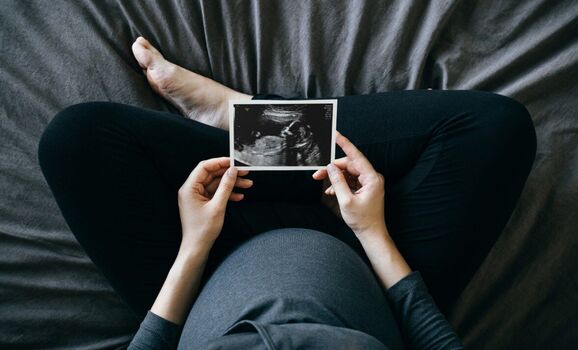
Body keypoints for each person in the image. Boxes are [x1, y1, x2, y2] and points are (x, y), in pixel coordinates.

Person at [37, 37, 537, 349]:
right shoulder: (370, 241)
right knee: (495, 128)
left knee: (76, 139)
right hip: (374, 270)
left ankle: (243, 124)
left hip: (203, 271)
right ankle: (245, 118)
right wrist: (370, 232)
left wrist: (193, 244)